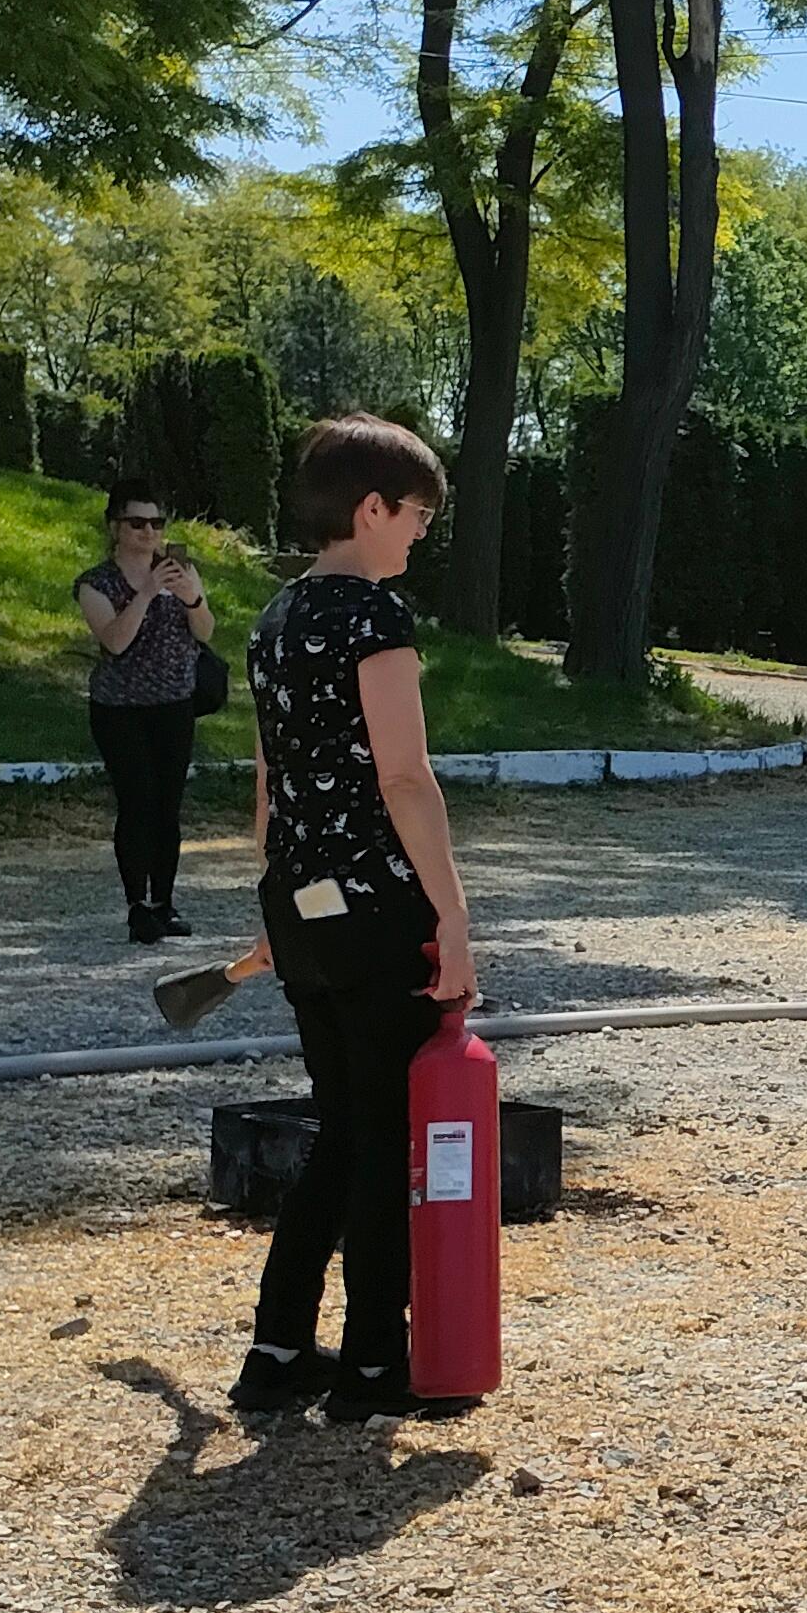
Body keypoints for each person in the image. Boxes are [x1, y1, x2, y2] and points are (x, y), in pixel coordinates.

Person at [234, 413, 480, 1424]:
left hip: (301, 902)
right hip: (378, 904)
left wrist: (279, 904)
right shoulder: (376, 619)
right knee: (385, 1137)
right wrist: (452, 914)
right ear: (373, 508)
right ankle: (377, 1365)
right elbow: (404, 776)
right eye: (418, 514)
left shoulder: (273, 618)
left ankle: (278, 1347)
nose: (421, 532)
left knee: (341, 1125)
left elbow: (269, 781)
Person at [75, 485, 219, 943]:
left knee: (168, 806)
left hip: (175, 703)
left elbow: (205, 632)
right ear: (115, 527)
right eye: (137, 523)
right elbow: (115, 641)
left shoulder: (181, 572)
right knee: (137, 802)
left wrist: (192, 597)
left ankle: (164, 902)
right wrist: (147, 593)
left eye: (157, 523)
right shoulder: (96, 584)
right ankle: (137, 904)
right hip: (120, 708)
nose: (149, 533)